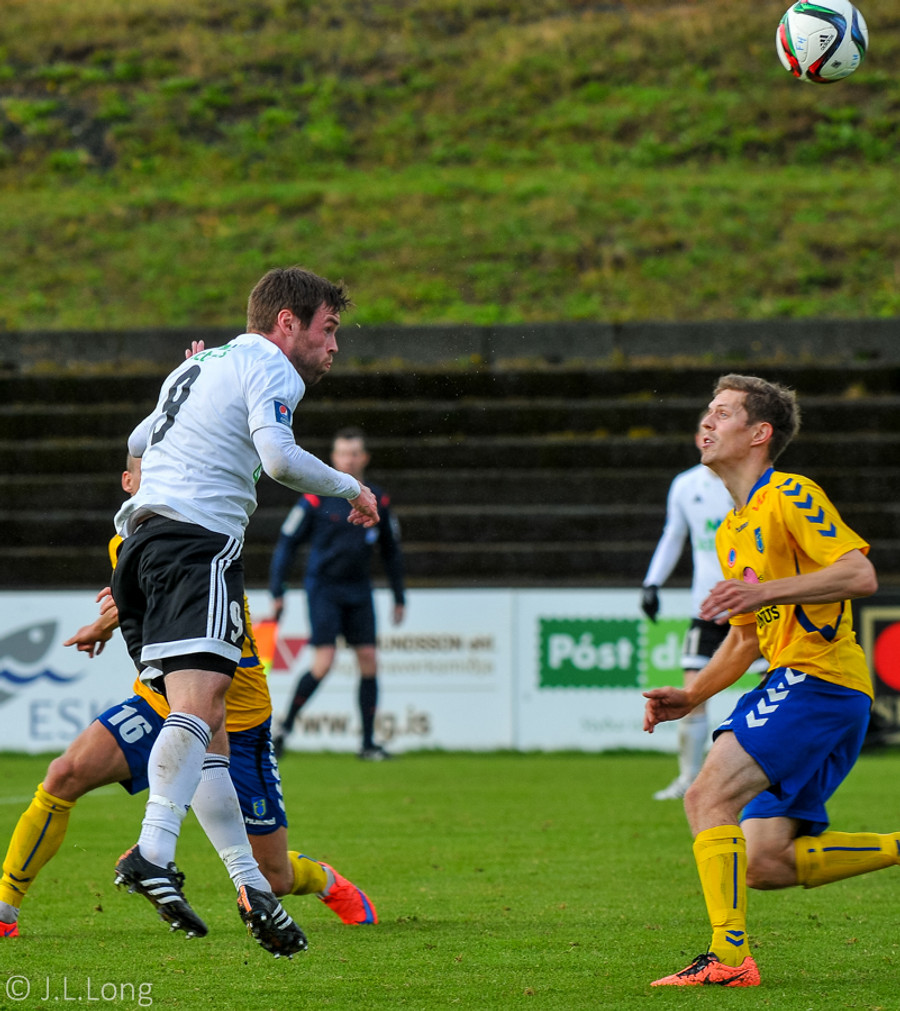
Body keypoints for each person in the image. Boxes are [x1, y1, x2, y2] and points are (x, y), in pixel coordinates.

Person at [109, 267, 379, 951]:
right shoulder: (269, 365)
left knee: (209, 730)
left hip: (141, 548)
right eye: (328, 329)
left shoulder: (199, 366)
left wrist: (199, 387)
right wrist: (351, 487)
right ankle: (152, 852)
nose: (334, 346)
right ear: (287, 323)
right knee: (201, 712)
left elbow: (140, 441)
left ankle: (251, 884)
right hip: (195, 546)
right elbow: (279, 460)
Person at [0, 456, 377, 941]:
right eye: (151, 468)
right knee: (63, 775)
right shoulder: (126, 542)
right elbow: (146, 598)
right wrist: (104, 623)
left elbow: (182, 604)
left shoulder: (207, 533)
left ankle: (325, 881)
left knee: (275, 878)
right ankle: (5, 908)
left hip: (234, 721)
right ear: (128, 482)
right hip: (160, 704)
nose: (164, 475)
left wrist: (113, 616)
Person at [642, 373, 898, 988]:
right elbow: (745, 639)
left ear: (759, 433)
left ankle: (730, 959)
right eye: (707, 410)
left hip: (818, 679)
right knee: (765, 862)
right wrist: (693, 695)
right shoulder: (732, 529)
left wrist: (766, 591)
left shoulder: (790, 493)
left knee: (706, 797)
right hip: (812, 686)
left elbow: (859, 575)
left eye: (722, 412)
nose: (706, 421)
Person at [641, 425, 766, 801]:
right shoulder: (685, 485)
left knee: (774, 688)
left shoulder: (755, 483)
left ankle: (770, 778)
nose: (708, 435)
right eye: (703, 430)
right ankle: (688, 779)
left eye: (717, 425)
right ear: (697, 440)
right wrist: (652, 583)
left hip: (755, 606)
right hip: (706, 609)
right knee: (692, 690)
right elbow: (673, 535)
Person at [269, 427, 406, 762]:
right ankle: (284, 730)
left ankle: (368, 744)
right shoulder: (315, 497)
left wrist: (399, 596)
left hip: (359, 589)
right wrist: (277, 589)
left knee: (369, 659)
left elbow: (391, 551)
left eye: (355, 453)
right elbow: (287, 543)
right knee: (324, 662)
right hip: (324, 588)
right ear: (333, 458)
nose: (349, 459)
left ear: (365, 458)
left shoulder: (377, 499)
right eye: (343, 453)